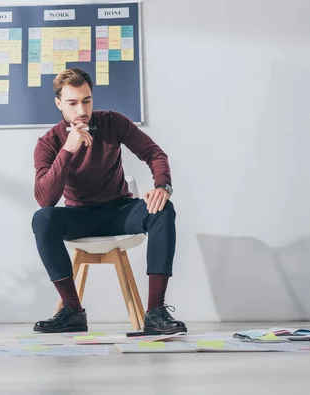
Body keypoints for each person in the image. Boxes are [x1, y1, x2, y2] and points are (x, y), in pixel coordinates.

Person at [31, 68, 186, 334]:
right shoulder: (50, 142)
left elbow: (154, 154)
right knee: (42, 219)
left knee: (163, 209)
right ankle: (72, 310)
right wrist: (68, 148)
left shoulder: (113, 122)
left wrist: (162, 186)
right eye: (73, 103)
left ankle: (156, 311)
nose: (82, 109)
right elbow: (46, 199)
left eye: (87, 100)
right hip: (81, 217)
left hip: (120, 211)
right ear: (59, 104)